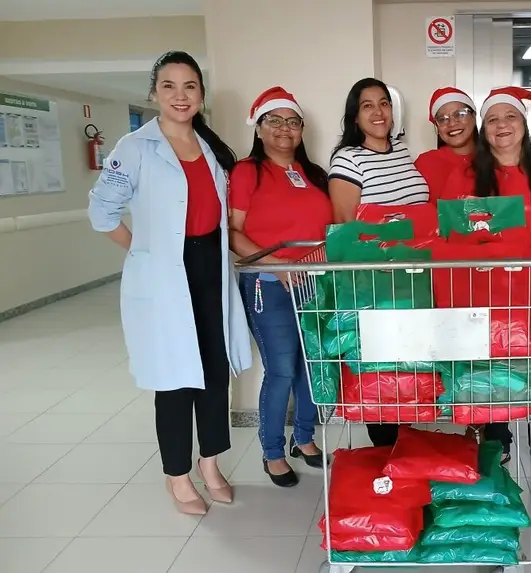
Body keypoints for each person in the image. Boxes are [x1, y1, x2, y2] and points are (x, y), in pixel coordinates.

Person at [88, 51, 253, 515]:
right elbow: (101, 213)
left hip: (210, 270)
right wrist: (144, 253)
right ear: (154, 93)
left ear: (201, 94)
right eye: (169, 86)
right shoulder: (135, 147)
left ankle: (211, 463)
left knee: (214, 372)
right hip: (166, 277)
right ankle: (177, 476)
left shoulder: (211, 147)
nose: (180, 96)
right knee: (175, 379)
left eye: (189, 86)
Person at [439, 86, 531, 493]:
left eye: (510, 117)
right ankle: (497, 444)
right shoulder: (464, 175)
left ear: (523, 125)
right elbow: (447, 233)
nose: (502, 126)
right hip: (479, 296)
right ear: (484, 129)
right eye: (493, 119)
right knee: (488, 374)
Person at [228, 87, 332, 487]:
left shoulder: (315, 175)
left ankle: (303, 439)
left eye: (292, 121)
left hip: (316, 284)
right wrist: (280, 267)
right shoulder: (247, 171)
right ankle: (272, 451)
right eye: (274, 121)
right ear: (258, 127)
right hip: (269, 285)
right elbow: (234, 233)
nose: (284, 129)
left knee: (313, 365)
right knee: (283, 369)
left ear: (302, 129)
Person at [327, 78, 430, 447]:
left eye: (384, 103)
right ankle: (387, 453)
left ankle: (406, 451)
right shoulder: (348, 159)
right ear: (355, 115)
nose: (378, 111)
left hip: (416, 278)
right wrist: (381, 259)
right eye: (367, 105)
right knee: (380, 370)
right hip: (375, 281)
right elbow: (344, 227)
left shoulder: (401, 151)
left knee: (408, 365)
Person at [414, 87, 479, 203]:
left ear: (474, 117)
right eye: (443, 119)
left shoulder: (495, 159)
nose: (452, 123)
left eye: (460, 114)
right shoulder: (425, 163)